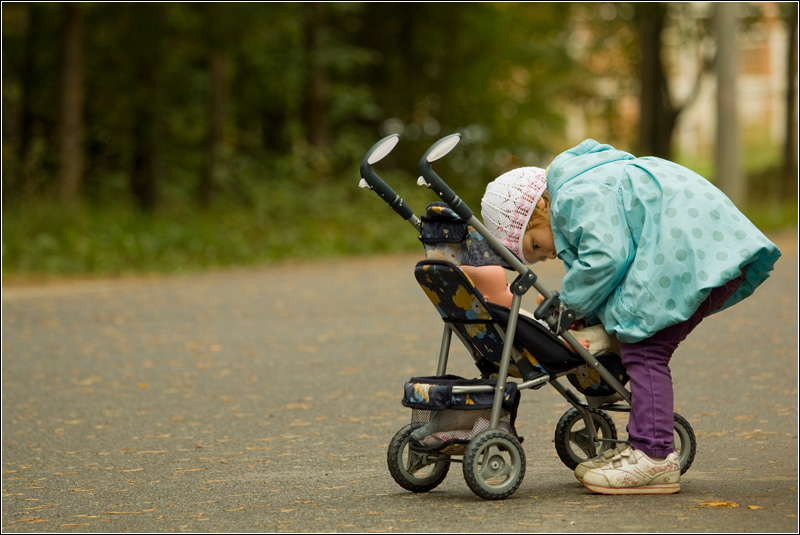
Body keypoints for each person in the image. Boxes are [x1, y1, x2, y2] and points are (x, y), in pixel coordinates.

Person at [480, 139, 781, 495]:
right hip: (696, 246)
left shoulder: (573, 198)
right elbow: (616, 265)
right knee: (636, 332)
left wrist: (569, 305)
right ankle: (644, 443)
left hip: (686, 252)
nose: (547, 254)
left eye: (534, 245)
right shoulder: (590, 180)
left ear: (540, 205)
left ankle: (653, 456)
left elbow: (605, 258)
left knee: (645, 347)